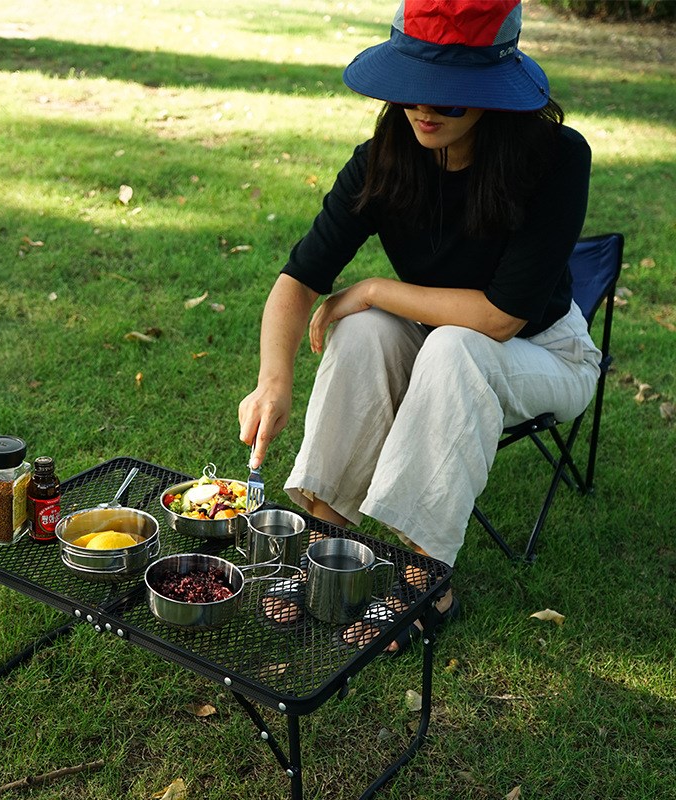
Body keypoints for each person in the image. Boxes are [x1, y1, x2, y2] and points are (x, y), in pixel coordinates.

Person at [238, 0, 601, 652]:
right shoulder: (385, 158)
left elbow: (501, 317)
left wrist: (374, 288)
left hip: (547, 352)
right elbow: (299, 279)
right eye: (410, 88)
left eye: (449, 95)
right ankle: (327, 540)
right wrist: (273, 380)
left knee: (452, 344)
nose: (424, 109)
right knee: (364, 331)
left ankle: (427, 579)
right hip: (440, 341)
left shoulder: (555, 158)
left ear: (493, 92)